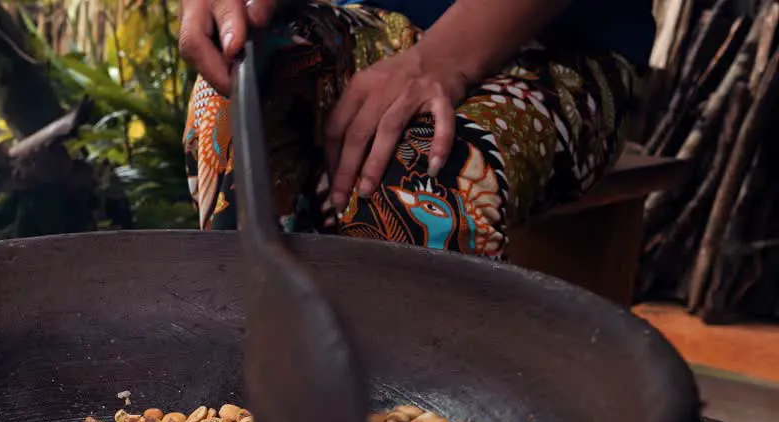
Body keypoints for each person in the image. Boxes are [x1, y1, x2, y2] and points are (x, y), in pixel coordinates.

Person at [179, 0, 654, 259]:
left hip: (558, 43)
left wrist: (440, 60)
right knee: (236, 96)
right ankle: (238, 398)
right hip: (366, 14)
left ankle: (404, 419)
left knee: (421, 177)